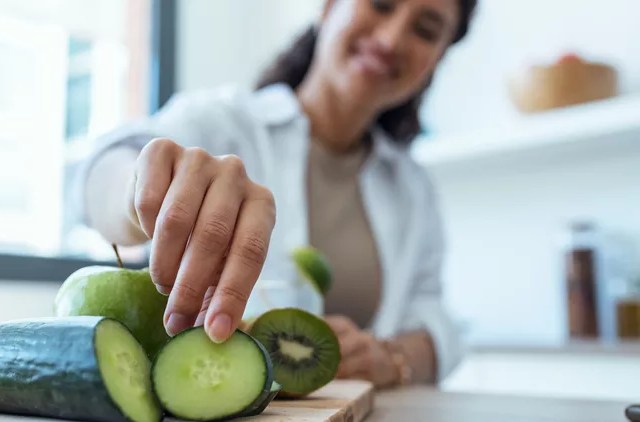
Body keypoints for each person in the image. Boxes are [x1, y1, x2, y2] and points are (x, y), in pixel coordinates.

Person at [74, 0, 477, 389]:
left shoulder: (412, 188)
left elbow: (435, 315)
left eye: (425, 30)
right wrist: (137, 192)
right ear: (329, 7)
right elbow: (95, 177)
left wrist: (392, 360)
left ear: (438, 58)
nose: (391, 40)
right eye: (381, 4)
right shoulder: (223, 123)